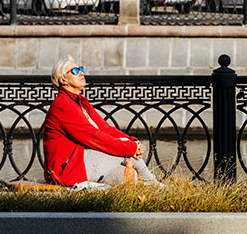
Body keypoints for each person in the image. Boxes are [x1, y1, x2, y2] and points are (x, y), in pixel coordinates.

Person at [42, 55, 159, 187]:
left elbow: (105, 129)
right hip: (68, 168)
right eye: (75, 71)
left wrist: (132, 140)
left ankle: (148, 185)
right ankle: (153, 184)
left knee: (125, 176)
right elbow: (93, 136)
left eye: (81, 69)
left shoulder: (80, 102)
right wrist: (130, 147)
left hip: (82, 160)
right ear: (63, 80)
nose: (81, 73)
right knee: (128, 155)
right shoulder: (63, 104)